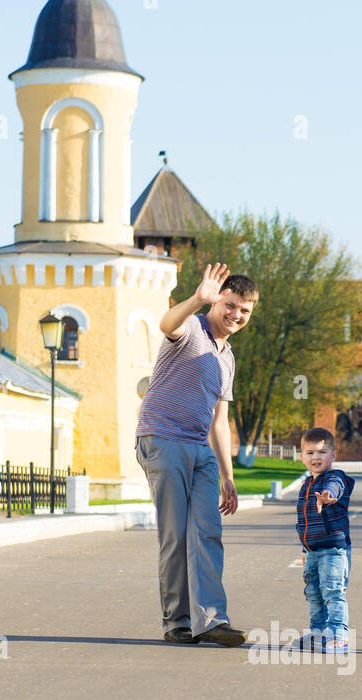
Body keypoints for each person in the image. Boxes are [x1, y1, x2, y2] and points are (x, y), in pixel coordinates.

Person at [135, 262, 257, 645]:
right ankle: (177, 622)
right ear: (216, 301)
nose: (236, 315)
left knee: (207, 532)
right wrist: (196, 300)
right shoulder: (192, 330)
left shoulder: (227, 357)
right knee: (176, 535)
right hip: (162, 439)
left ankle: (212, 620)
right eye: (230, 305)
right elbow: (166, 324)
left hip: (199, 447)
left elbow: (220, 421)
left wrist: (228, 475)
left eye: (245, 311)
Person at [295, 428, 355, 653]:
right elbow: (305, 522)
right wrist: (304, 549)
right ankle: (319, 632)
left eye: (322, 451)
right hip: (312, 551)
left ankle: (339, 636)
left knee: (333, 591)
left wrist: (328, 496)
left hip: (333, 550)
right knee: (313, 593)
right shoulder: (306, 485)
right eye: (310, 453)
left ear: (334, 455)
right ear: (302, 457)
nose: (316, 457)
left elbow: (337, 488)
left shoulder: (335, 478)